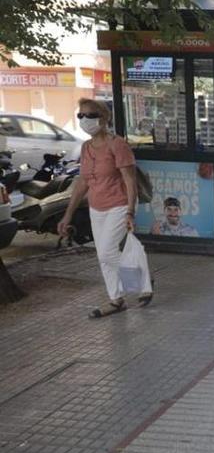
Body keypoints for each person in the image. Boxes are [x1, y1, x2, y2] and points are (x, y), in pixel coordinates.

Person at [58, 98, 153, 318]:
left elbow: (130, 181)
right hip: (97, 206)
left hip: (119, 204)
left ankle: (141, 281)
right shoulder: (85, 147)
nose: (84, 120)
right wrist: (67, 215)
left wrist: (130, 211)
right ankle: (116, 299)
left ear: (103, 118)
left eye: (90, 115)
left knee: (107, 252)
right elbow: (83, 182)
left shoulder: (117, 144)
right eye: (80, 116)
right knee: (103, 254)